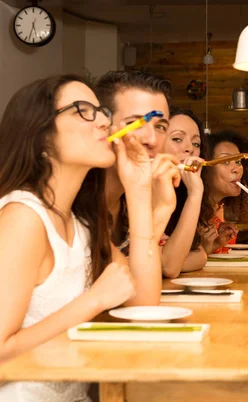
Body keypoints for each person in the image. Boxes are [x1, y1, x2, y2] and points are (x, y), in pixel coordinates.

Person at [0, 75, 168, 401]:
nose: (104, 121)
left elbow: (144, 302)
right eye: (83, 111)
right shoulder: (23, 218)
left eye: (102, 111)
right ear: (43, 136)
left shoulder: (79, 223)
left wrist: (138, 191)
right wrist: (93, 301)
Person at [94, 70, 181, 295]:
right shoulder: (73, 202)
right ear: (102, 128)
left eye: (160, 126)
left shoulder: (126, 204)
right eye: (135, 123)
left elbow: (139, 295)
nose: (152, 140)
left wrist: (162, 211)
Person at [161, 107, 208, 278]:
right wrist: (195, 193)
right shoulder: (138, 193)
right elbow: (169, 267)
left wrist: (173, 260)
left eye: (196, 143)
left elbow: (200, 254)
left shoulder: (180, 194)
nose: (190, 149)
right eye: (177, 139)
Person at [200, 130, 248, 254]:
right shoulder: (190, 210)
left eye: (238, 162)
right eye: (225, 162)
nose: (236, 169)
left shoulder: (217, 207)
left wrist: (217, 244)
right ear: (205, 168)